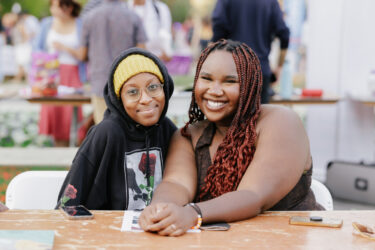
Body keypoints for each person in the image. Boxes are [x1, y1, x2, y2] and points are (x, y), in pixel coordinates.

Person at [139, 39, 322, 237]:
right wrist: (159, 210)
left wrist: (193, 213)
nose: (215, 91)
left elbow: (253, 196)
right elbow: (176, 184)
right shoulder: (189, 135)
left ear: (250, 86)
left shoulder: (281, 122)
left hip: (288, 240)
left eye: (230, 81)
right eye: (207, 79)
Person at [56, 48, 176, 210]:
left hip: (158, 229)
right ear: (119, 99)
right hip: (107, 230)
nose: (146, 99)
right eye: (132, 92)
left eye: (153, 87)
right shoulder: (106, 133)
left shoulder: (168, 130)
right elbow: (68, 201)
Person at [71, 0, 147, 124]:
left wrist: (65, 48)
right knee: (128, 128)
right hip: (127, 82)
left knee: (104, 127)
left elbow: (82, 55)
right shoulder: (133, 17)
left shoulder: (89, 17)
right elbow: (142, 53)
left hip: (99, 82)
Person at [211, 0, 290, 104]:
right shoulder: (271, 2)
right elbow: (284, 34)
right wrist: (279, 66)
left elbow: (219, 29)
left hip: (232, 69)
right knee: (260, 118)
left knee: (231, 118)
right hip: (260, 70)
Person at [33, 0, 85, 147]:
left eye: (59, 6)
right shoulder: (46, 24)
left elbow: (83, 55)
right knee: (54, 119)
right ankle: (58, 156)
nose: (55, 9)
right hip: (51, 75)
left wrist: (64, 47)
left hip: (72, 75)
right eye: (54, 6)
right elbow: (37, 50)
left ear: (69, 7)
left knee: (70, 120)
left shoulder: (80, 24)